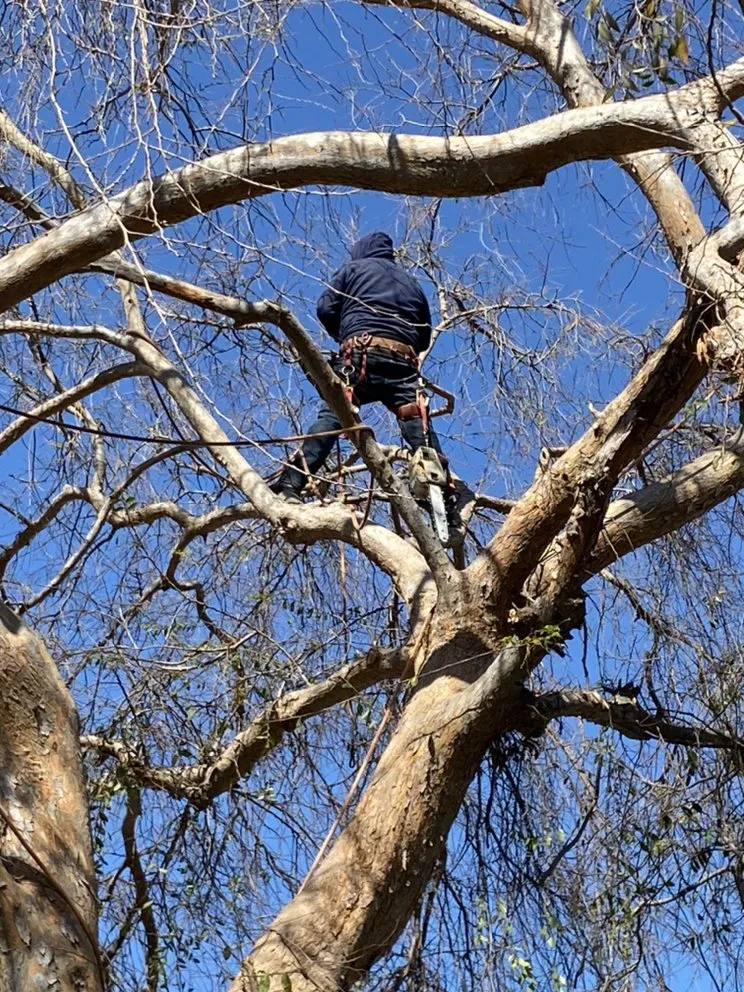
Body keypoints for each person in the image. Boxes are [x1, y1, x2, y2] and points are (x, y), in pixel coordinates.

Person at [273, 231, 450, 503]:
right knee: (418, 425)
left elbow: (325, 308)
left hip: (361, 356)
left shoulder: (353, 269)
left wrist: (345, 335)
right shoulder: (413, 284)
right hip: (403, 365)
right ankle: (442, 496)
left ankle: (291, 485)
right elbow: (424, 335)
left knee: (335, 413)